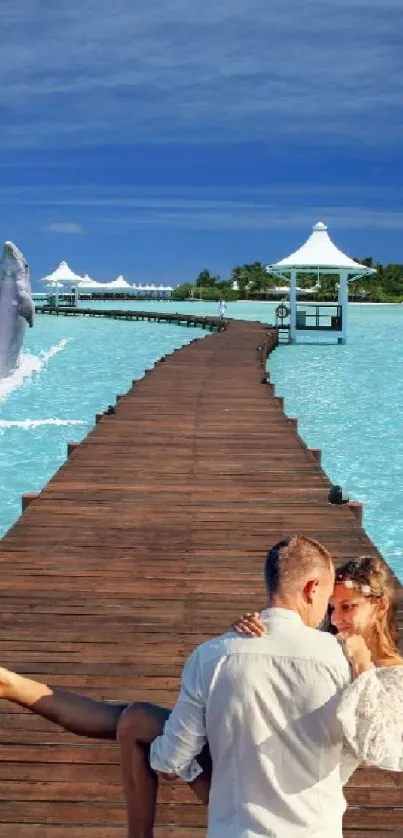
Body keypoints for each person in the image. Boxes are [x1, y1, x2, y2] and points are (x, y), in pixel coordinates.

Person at [0, 541, 402, 835]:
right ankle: (14, 686)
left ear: (379, 606)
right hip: (304, 815)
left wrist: (363, 670)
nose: (334, 620)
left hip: (243, 803)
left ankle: (14, 686)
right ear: (316, 591)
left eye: (346, 608)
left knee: (135, 721)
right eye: (332, 608)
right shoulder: (332, 653)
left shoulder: (358, 666)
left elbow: (380, 747)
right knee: (134, 719)